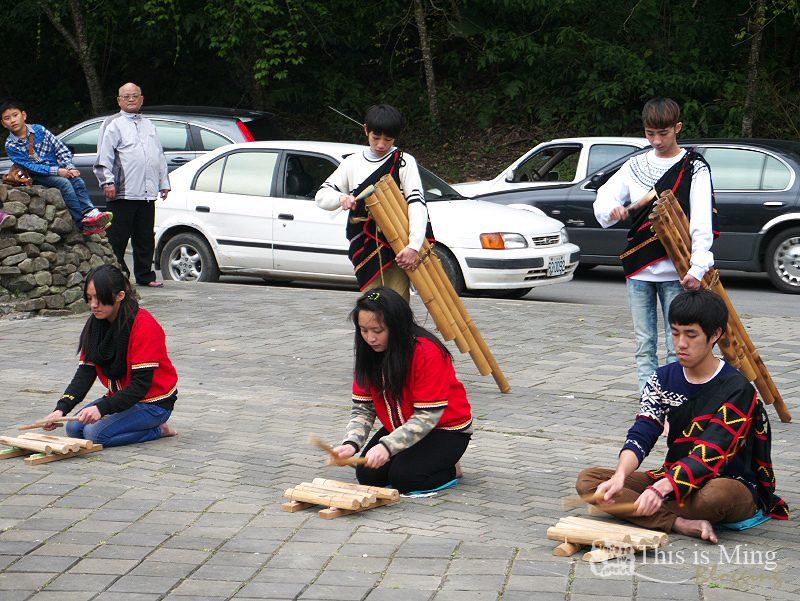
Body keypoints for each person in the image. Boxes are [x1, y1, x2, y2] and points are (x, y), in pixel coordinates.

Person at [576, 290, 788, 543]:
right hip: (673, 479)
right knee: (589, 482)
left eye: (691, 334)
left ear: (715, 335)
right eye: (675, 333)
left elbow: (714, 447)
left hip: (726, 481)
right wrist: (620, 476)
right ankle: (678, 522)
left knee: (714, 497)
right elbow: (643, 430)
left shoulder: (737, 388)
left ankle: (648, 509)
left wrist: (661, 488)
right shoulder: (662, 378)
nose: (681, 343)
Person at [593, 98, 715, 392]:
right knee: (644, 343)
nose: (657, 141)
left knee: (679, 345)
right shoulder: (635, 164)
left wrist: (698, 267)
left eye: (663, 133)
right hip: (639, 266)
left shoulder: (694, 167)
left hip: (677, 269)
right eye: (650, 134)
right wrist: (612, 210)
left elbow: (701, 221)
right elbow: (605, 197)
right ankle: (649, 402)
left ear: (678, 128)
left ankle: (676, 399)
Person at [332, 287, 472, 493]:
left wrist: (387, 446)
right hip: (401, 426)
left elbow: (427, 417)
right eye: (363, 330)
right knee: (368, 475)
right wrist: (352, 443)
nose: (370, 338)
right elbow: (363, 409)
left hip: (444, 429)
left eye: (378, 331)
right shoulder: (368, 352)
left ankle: (452, 468)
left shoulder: (427, 352)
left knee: (406, 479)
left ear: (396, 325)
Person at [39, 264, 178, 447]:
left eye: (100, 298)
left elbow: (140, 386)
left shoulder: (143, 324)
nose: (93, 305)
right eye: (90, 298)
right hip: (122, 399)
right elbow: (85, 373)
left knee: (95, 434)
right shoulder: (95, 324)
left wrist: (101, 408)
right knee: (73, 429)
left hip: (154, 403)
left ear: (120, 295)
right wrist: (61, 409)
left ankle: (159, 430)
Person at [315, 104, 433, 303]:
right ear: (366, 130)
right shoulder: (352, 163)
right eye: (375, 137)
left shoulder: (404, 162)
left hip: (397, 244)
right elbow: (321, 196)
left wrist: (413, 245)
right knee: (371, 303)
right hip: (365, 244)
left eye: (388, 140)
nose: (381, 145)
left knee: (396, 303)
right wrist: (341, 198)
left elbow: (417, 204)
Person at [94, 83, 170, 288]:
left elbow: (158, 155)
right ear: (119, 100)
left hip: (147, 193)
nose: (131, 99)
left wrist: (163, 182)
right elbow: (104, 156)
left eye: (135, 96)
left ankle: (145, 276)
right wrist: (107, 182)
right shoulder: (113, 123)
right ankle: (118, 277)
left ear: (142, 99)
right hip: (122, 192)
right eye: (126, 96)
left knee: (145, 237)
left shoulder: (149, 125)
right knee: (117, 239)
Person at [1, 100, 112, 235]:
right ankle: (83, 223)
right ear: (3, 124)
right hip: (35, 175)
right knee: (64, 183)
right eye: (7, 118)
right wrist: (57, 171)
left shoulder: (39, 130)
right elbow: (29, 167)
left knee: (77, 180)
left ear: (23, 115)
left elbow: (61, 149)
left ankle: (90, 211)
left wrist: (69, 167)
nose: (12, 120)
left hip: (56, 168)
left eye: (15, 115)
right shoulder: (11, 145)